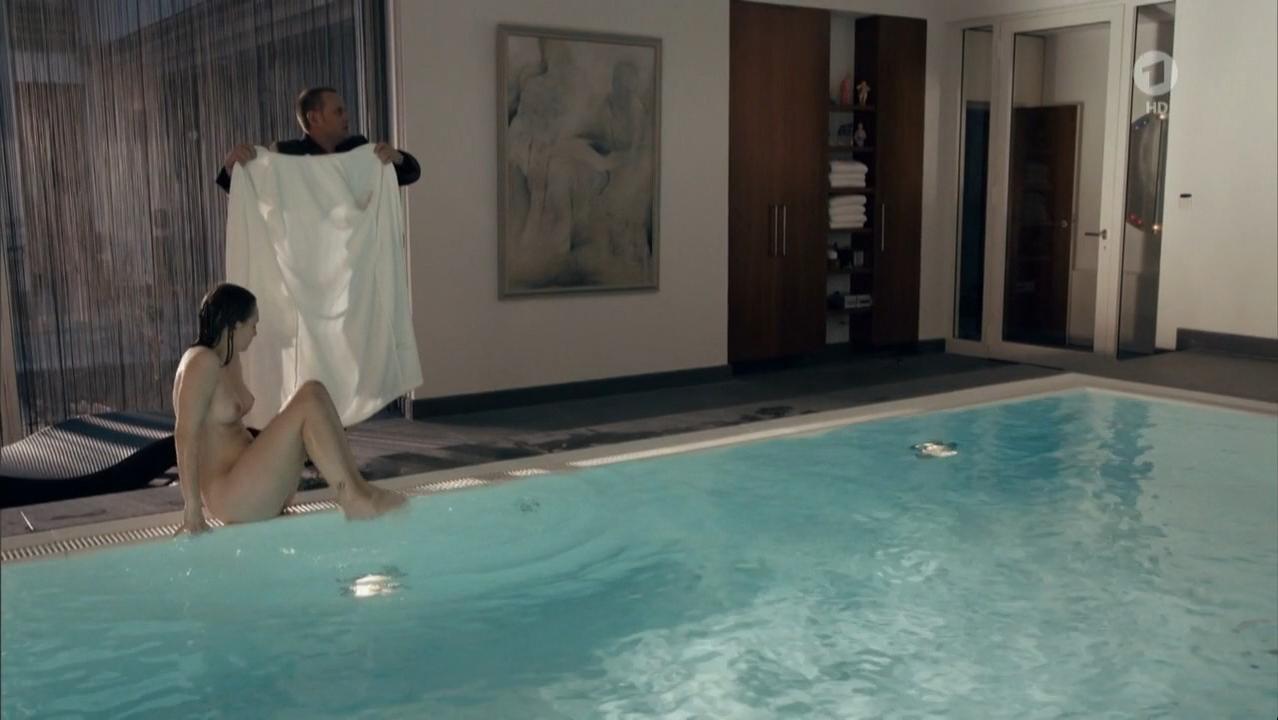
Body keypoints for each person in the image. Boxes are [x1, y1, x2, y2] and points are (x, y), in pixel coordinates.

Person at [172, 283, 406, 534]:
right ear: (235, 325)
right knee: (309, 397)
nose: (255, 332)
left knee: (315, 392)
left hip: (249, 481)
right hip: (230, 493)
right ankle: (352, 498)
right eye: (253, 325)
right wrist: (192, 508)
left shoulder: (228, 358)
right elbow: (185, 435)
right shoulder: (201, 362)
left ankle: (358, 490)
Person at [216, 86, 420, 193]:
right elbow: (245, 190)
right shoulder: (285, 154)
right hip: (305, 257)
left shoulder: (357, 149)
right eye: (338, 112)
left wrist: (398, 158)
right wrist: (231, 167)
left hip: (353, 258)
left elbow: (410, 174)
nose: (347, 117)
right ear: (314, 118)